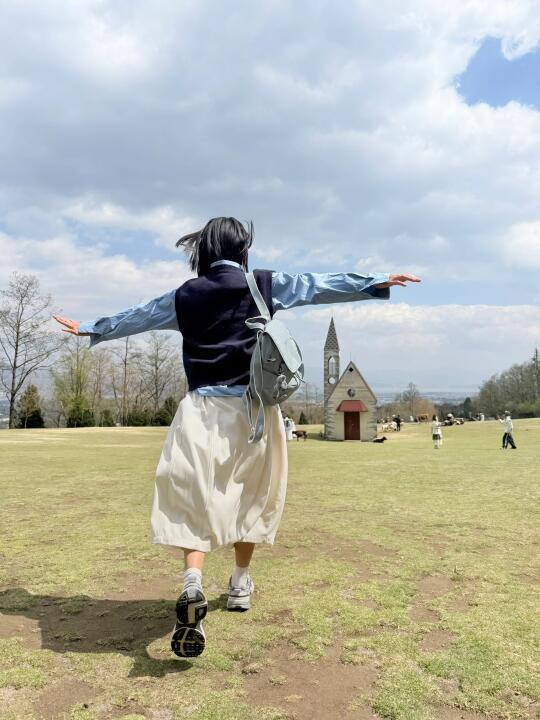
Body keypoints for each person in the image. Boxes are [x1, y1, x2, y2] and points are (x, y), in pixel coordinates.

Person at [53, 216, 421, 658]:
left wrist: (92, 326)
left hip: (200, 411)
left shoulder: (184, 296)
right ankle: (241, 583)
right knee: (251, 496)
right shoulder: (264, 283)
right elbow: (317, 284)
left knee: (194, 498)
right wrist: (376, 280)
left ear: (202, 251)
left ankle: (192, 581)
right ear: (242, 248)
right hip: (254, 412)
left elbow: (140, 316)